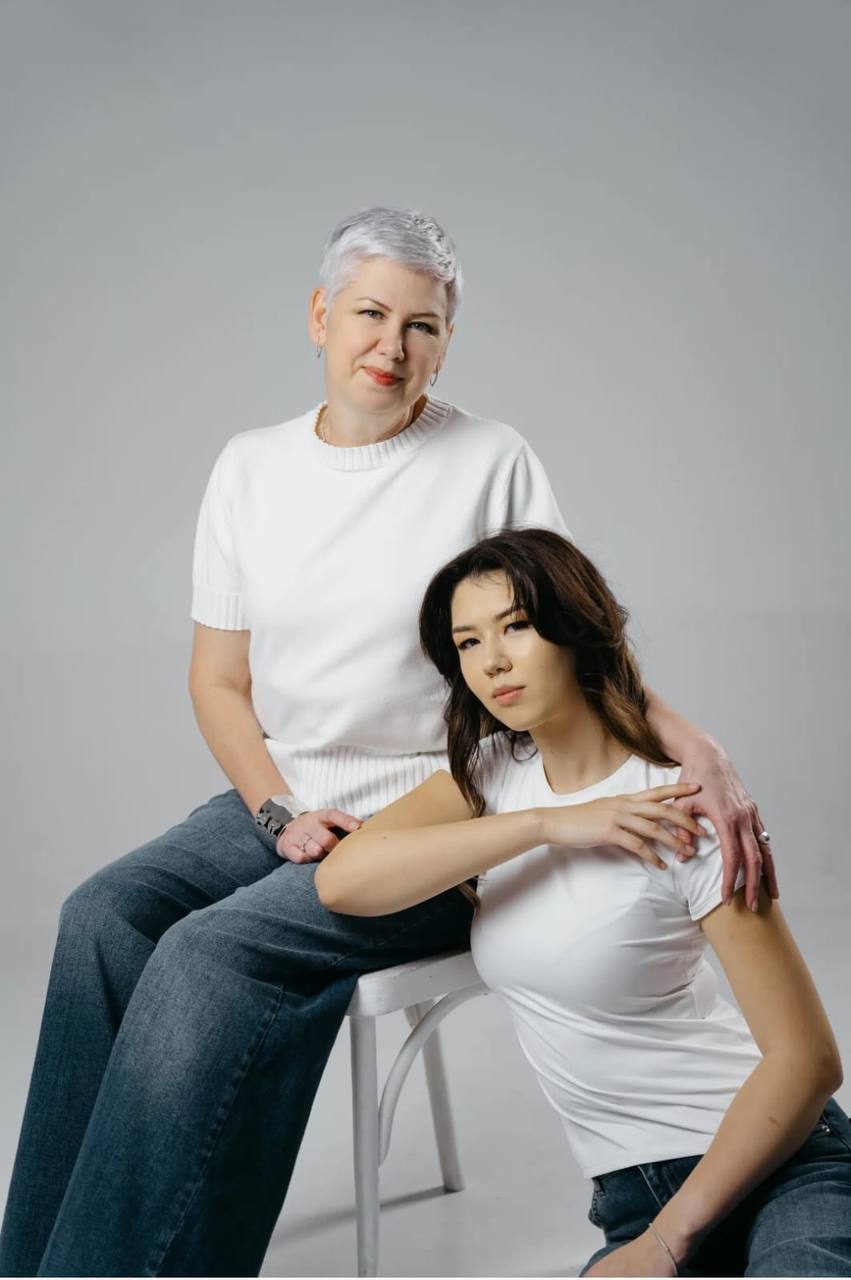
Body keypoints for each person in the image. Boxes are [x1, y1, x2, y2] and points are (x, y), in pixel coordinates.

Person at [1, 208, 774, 1278]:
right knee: (101, 915)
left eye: (422, 326)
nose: (391, 346)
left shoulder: (489, 459)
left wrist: (704, 751)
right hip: (284, 794)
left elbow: (578, 638)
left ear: (446, 343)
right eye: (369, 314)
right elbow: (217, 680)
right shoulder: (248, 467)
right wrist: (276, 810)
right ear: (320, 315)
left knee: (207, 956)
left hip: (443, 807)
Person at [315, 526, 850, 1277]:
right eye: (467, 642)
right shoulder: (493, 776)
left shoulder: (679, 811)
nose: (491, 661)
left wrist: (666, 1244)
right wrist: (549, 824)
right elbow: (343, 881)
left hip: (779, 1162)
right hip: (633, 1198)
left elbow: (806, 1059)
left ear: (574, 628)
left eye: (515, 626)